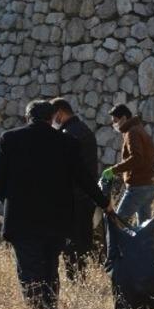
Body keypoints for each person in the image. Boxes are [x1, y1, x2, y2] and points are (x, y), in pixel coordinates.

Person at [0, 100, 111, 309]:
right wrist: (104, 203)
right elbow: (84, 179)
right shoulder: (68, 143)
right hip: (56, 220)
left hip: (22, 220)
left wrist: (11, 203)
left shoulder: (9, 139)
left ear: (28, 117)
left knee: (29, 271)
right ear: (52, 117)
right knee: (50, 269)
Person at [51, 97, 100, 278]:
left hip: (73, 198)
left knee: (72, 245)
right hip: (86, 196)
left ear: (60, 113)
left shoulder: (68, 134)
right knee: (83, 242)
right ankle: (81, 278)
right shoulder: (83, 130)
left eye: (53, 117)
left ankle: (76, 279)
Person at [105, 104, 154, 225]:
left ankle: (114, 245)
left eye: (115, 121)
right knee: (144, 228)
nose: (114, 124)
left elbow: (136, 158)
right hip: (148, 185)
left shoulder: (131, 132)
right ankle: (144, 245)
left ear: (124, 118)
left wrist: (114, 170)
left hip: (137, 187)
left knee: (116, 223)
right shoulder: (139, 128)